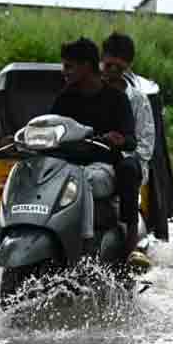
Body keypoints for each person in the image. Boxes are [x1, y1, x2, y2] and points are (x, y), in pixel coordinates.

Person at [50, 37, 141, 259]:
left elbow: (131, 140)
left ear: (86, 67)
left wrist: (118, 140)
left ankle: (90, 244)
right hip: (64, 166)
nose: (64, 72)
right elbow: (49, 127)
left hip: (102, 167)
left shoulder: (118, 100)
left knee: (84, 181)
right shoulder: (64, 99)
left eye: (69, 66)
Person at [101, 32, 156, 267]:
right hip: (93, 157)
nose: (112, 69)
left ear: (128, 66)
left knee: (128, 170)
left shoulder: (138, 100)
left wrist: (122, 150)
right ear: (102, 60)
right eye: (108, 63)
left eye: (118, 65)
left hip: (128, 162)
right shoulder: (89, 91)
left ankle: (130, 245)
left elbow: (145, 146)